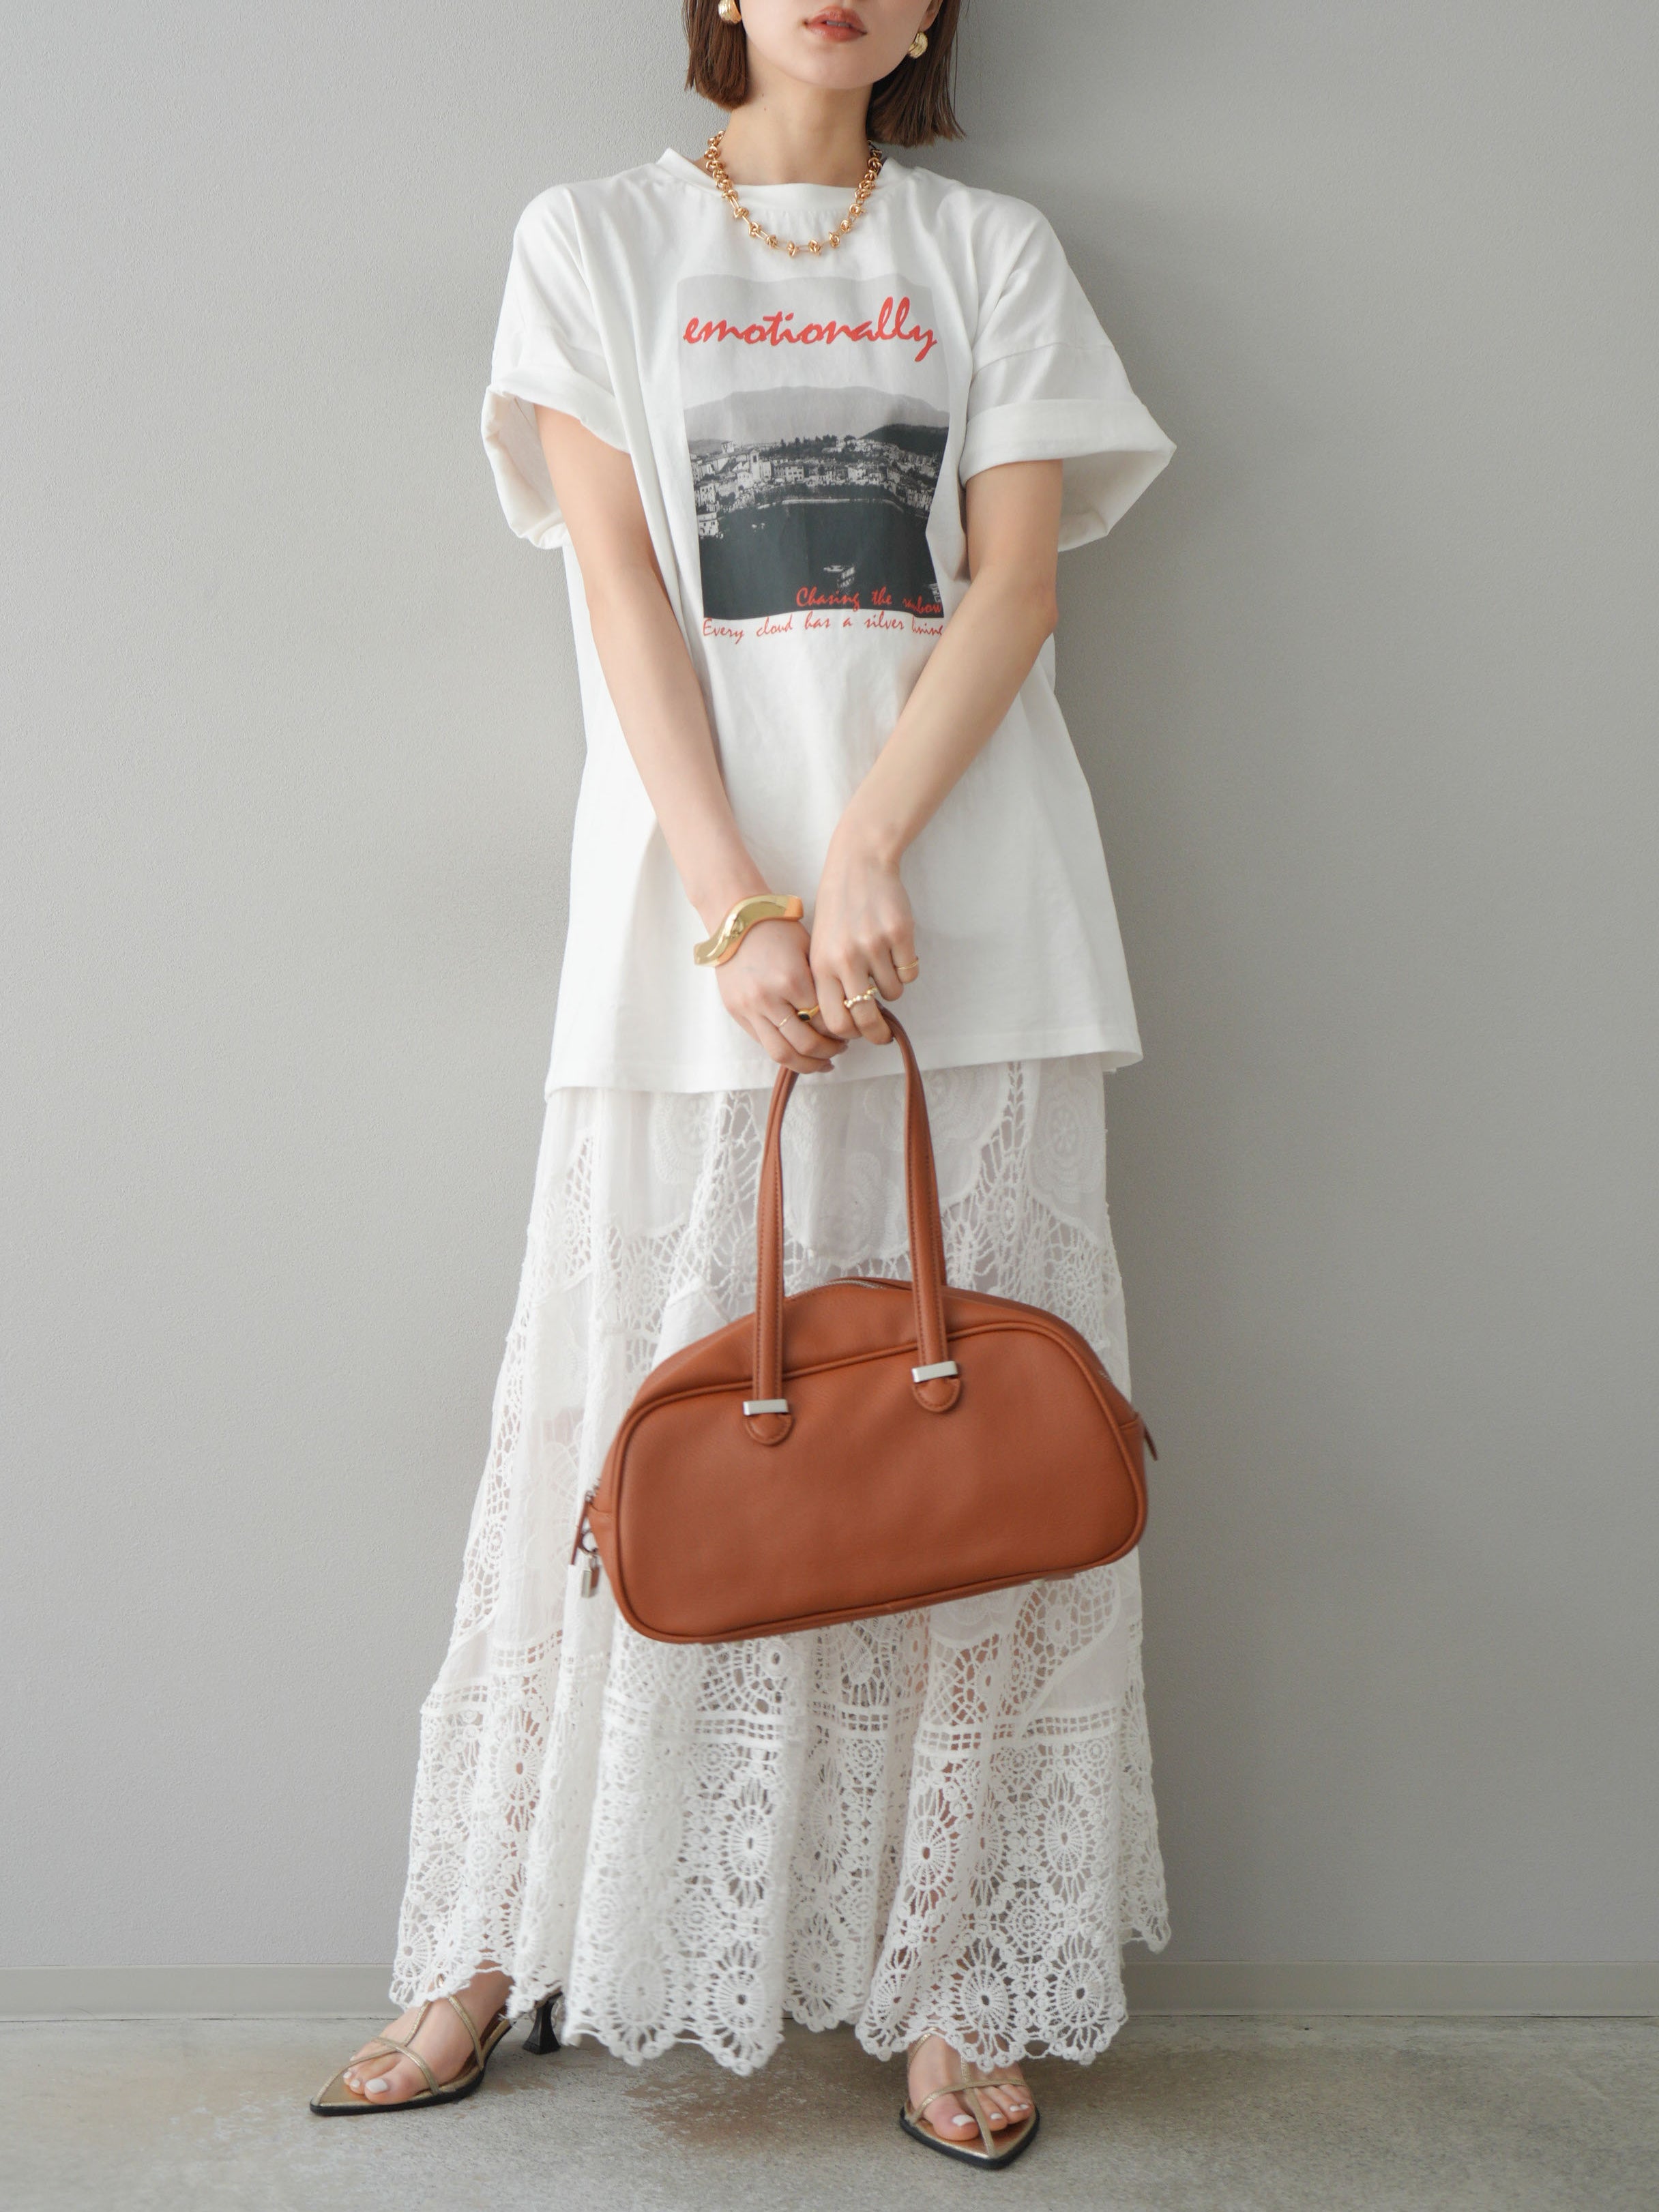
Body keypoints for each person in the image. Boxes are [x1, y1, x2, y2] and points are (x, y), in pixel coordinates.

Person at [311, 0, 1172, 2168]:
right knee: (613, 1421)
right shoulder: (592, 240)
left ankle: (955, 1979)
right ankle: (493, 1939)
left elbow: (1015, 584)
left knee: (979, 1450)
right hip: (696, 929)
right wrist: (740, 904)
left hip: (971, 924)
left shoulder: (992, 250)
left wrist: (867, 852)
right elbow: (621, 585)